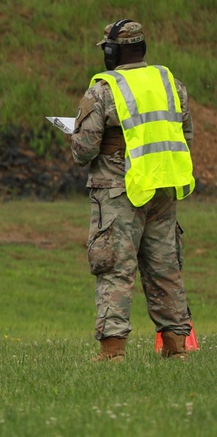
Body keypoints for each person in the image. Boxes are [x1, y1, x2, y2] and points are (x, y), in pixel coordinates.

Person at [71, 19, 195, 361]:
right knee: (165, 268)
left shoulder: (104, 89)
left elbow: (83, 151)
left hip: (118, 191)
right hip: (163, 186)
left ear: (111, 52)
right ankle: (176, 349)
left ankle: (112, 352)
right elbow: (185, 139)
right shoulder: (172, 84)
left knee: (114, 269)